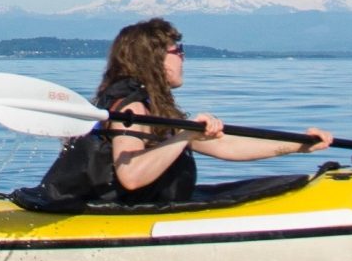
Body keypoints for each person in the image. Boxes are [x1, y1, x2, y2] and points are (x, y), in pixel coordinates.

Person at [35, 17, 332, 206]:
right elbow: (131, 176)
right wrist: (183, 136)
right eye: (178, 52)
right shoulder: (132, 108)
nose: (183, 58)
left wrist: (298, 145)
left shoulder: (151, 107)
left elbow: (227, 145)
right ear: (155, 59)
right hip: (105, 212)